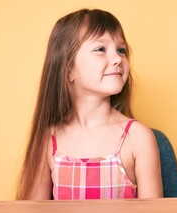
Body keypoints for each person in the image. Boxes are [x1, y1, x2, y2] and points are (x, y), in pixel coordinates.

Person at [16, 8, 163, 200]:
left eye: (121, 50)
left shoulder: (138, 138)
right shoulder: (48, 139)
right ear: (69, 70)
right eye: (101, 49)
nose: (118, 59)